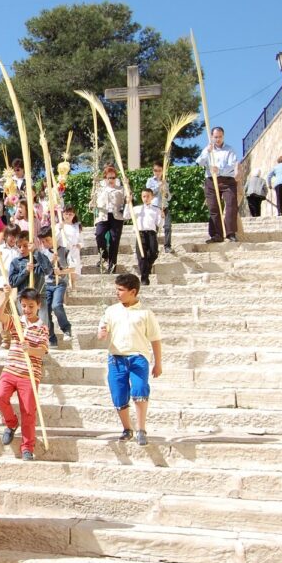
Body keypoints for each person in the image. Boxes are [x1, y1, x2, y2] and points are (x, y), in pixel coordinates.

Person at [98, 273, 163, 447]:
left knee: (140, 390)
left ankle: (141, 429)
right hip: (116, 359)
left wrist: (158, 363)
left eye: (121, 290)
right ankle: (127, 428)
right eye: (116, 289)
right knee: (118, 394)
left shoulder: (146, 314)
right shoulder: (111, 311)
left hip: (138, 358)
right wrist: (102, 333)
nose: (117, 293)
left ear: (132, 292)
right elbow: (102, 329)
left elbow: (155, 339)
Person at [0, 287, 48, 460]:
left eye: (31, 306)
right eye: (24, 306)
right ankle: (11, 423)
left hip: (29, 374)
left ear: (38, 305)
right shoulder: (17, 321)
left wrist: (30, 349)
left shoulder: (42, 328)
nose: (27, 309)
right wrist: (6, 298)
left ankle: (27, 447)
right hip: (10, 369)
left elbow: (42, 351)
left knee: (28, 411)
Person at [196, 126, 240, 243]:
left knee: (231, 205)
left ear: (223, 136)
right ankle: (216, 234)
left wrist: (219, 170)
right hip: (211, 180)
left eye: (220, 137)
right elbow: (199, 163)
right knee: (213, 207)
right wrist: (207, 152)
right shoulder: (207, 149)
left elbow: (232, 166)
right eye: (216, 137)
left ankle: (230, 233)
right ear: (212, 137)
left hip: (227, 181)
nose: (218, 139)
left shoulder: (230, 150)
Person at [38, 227, 72, 347]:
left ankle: (66, 328)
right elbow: (44, 270)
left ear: (53, 237)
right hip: (47, 284)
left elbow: (73, 268)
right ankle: (51, 338)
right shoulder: (43, 254)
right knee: (46, 311)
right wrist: (52, 262)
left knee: (56, 305)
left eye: (47, 240)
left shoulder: (65, 250)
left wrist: (61, 271)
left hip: (59, 283)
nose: (45, 243)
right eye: (43, 242)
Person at [94, 165, 126, 273]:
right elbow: (95, 202)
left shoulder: (121, 189)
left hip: (116, 217)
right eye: (109, 178)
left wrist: (127, 187)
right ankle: (104, 255)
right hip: (103, 215)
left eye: (113, 177)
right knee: (99, 234)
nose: (111, 180)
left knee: (114, 241)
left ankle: (112, 268)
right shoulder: (99, 189)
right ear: (105, 178)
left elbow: (128, 199)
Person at [132, 188, 164, 286]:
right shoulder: (136, 209)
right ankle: (144, 279)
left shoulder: (156, 209)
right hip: (140, 234)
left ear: (152, 197)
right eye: (144, 196)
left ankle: (148, 266)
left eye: (148, 196)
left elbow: (160, 224)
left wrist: (162, 217)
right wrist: (127, 203)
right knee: (142, 256)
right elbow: (126, 215)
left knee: (154, 253)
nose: (145, 198)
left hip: (151, 233)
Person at [145, 162, 173, 253]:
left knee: (168, 227)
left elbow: (169, 198)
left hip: (164, 207)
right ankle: (151, 248)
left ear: (162, 171)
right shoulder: (150, 180)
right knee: (153, 229)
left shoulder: (165, 181)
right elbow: (149, 193)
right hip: (154, 207)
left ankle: (167, 246)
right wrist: (159, 186)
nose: (157, 172)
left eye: (159, 170)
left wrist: (166, 193)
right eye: (155, 170)